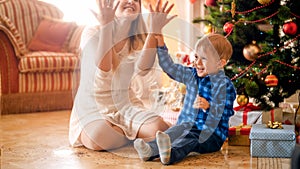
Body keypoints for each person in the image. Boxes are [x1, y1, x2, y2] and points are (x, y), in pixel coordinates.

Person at [133, 4, 237, 164]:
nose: (197, 62)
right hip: (187, 125)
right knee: (175, 130)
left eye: (204, 58)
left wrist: (209, 106)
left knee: (192, 136)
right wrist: (160, 42)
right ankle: (150, 150)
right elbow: (170, 68)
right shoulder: (192, 75)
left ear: (219, 63)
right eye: (196, 57)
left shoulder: (225, 85)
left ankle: (171, 155)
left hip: (211, 135)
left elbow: (227, 112)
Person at [68, 0, 174, 151]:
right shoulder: (91, 32)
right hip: (94, 105)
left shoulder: (136, 38)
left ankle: (124, 133)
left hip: (126, 103)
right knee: (98, 137)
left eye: (136, 0)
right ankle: (133, 135)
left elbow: (143, 69)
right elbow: (103, 70)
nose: (131, 1)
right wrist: (106, 27)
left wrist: (153, 31)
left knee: (159, 128)